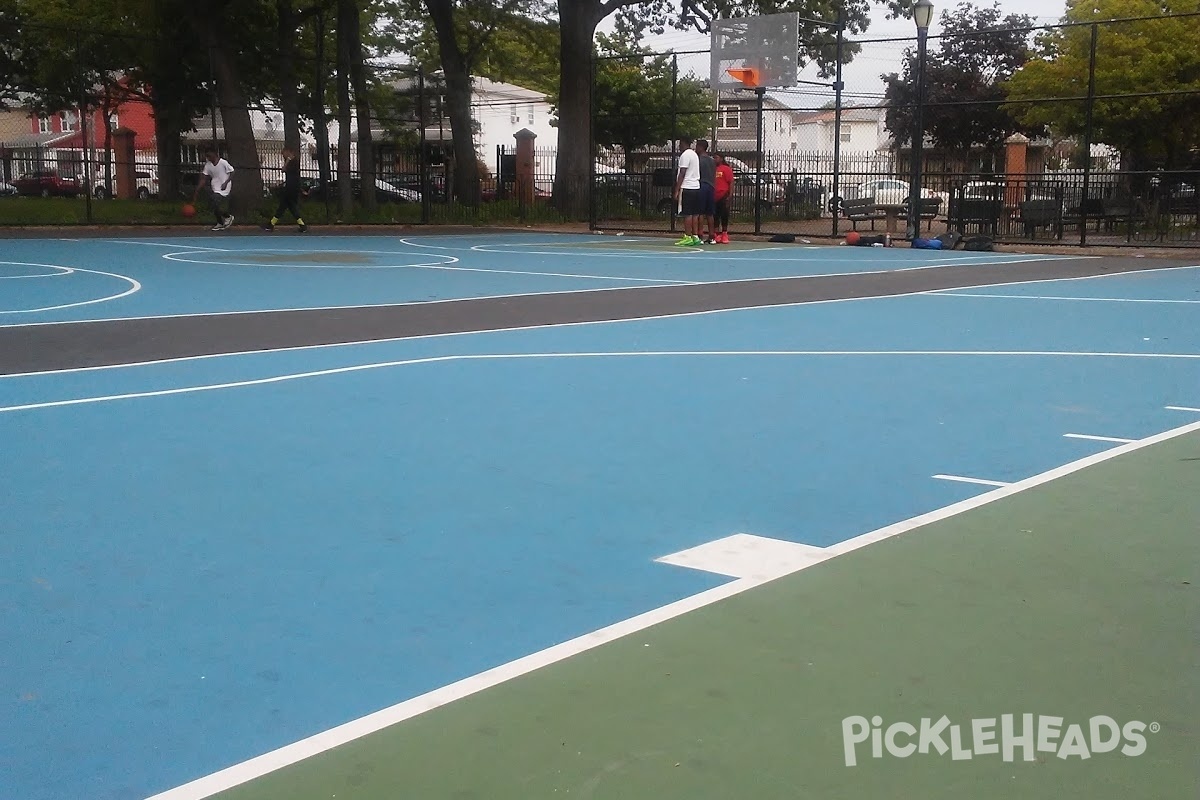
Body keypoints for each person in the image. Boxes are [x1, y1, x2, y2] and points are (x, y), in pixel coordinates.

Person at [263, 147, 307, 233]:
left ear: (289, 152)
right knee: (288, 206)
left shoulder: (293, 162)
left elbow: (284, 170)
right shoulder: (292, 162)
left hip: (291, 187)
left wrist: (288, 160)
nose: (283, 155)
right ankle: (302, 225)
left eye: (284, 153)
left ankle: (271, 224)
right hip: (291, 186)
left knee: (285, 206)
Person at [193, 147, 234, 231]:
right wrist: (197, 189)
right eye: (207, 156)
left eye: (209, 155)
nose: (208, 158)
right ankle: (221, 222)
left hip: (224, 187)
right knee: (213, 204)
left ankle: (227, 217)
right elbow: (204, 178)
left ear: (215, 154)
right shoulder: (208, 165)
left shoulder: (223, 162)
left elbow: (232, 172)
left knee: (214, 200)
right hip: (215, 187)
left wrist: (226, 183)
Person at [672, 136, 701, 246]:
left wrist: (677, 189)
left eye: (680, 144)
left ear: (684, 143)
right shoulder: (694, 155)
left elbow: (682, 173)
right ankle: (695, 236)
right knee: (695, 214)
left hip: (687, 187)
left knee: (687, 214)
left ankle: (688, 236)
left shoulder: (685, 155)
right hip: (696, 187)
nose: (679, 146)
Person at [695, 139, 717, 244]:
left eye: (697, 146)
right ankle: (712, 235)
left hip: (701, 185)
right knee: (710, 213)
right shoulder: (712, 160)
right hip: (711, 186)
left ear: (700, 147)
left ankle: (700, 234)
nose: (696, 148)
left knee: (699, 212)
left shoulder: (698, 160)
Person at [713, 153, 734, 244]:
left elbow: (731, 182)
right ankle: (716, 234)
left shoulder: (726, 169)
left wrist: (730, 194)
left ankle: (724, 233)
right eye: (714, 158)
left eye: (716, 157)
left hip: (723, 194)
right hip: (714, 195)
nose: (714, 159)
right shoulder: (712, 169)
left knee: (724, 215)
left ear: (721, 159)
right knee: (715, 216)